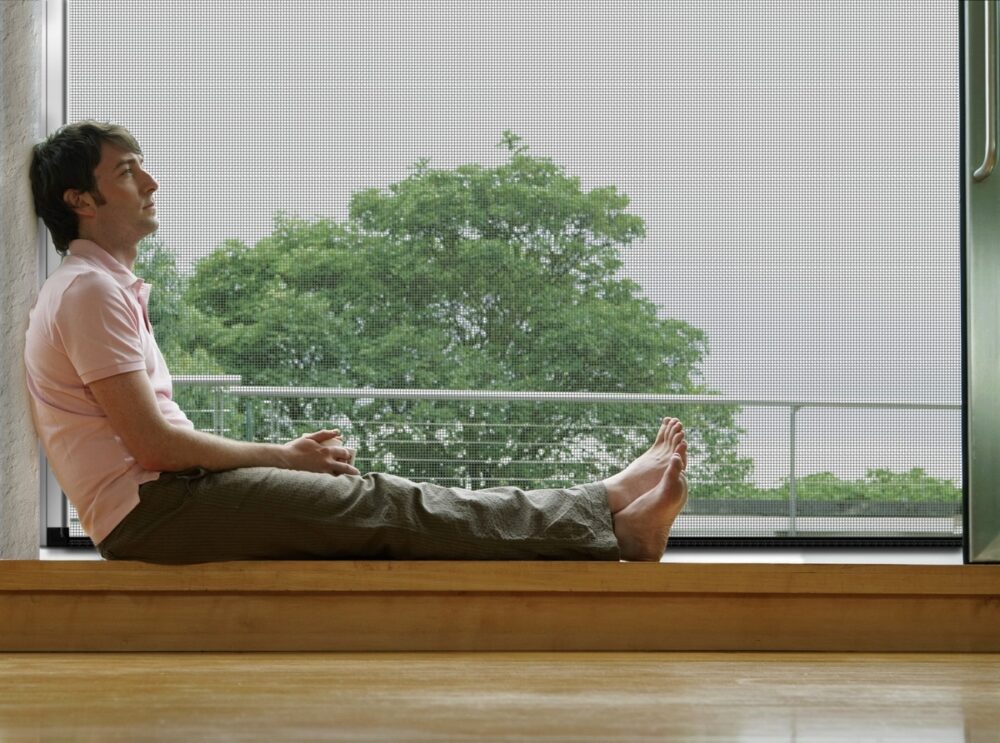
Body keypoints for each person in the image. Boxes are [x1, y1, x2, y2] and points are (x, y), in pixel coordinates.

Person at [25, 120, 688, 564]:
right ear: (80, 200)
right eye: (127, 173)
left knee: (379, 500)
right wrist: (285, 457)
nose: (151, 183)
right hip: (155, 511)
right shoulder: (87, 291)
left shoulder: (100, 287)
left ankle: (612, 519)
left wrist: (281, 460)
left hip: (170, 497)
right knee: (382, 504)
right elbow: (155, 447)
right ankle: (607, 513)